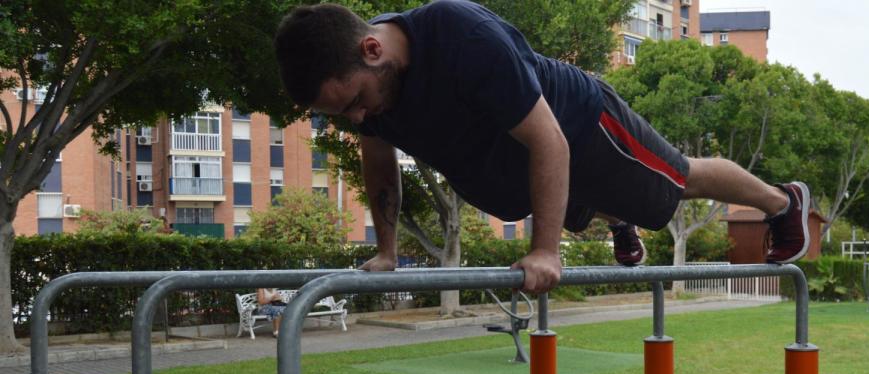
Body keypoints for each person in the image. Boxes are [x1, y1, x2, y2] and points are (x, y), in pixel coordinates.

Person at [274, 1, 811, 293]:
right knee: (576, 199)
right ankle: (616, 217)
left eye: (356, 101)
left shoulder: (461, 38)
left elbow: (548, 141)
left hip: (580, 126)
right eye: (342, 114)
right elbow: (378, 165)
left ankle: (783, 203)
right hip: (520, 168)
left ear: (372, 48)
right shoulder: (369, 99)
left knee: (676, 180)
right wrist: (387, 253)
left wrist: (545, 250)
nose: (359, 118)